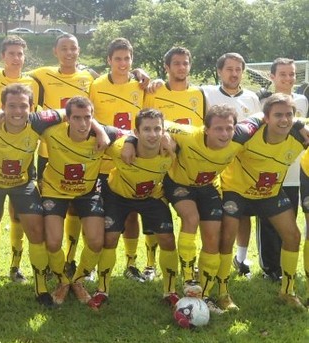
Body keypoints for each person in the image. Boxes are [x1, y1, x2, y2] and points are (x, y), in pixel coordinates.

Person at [123, 105, 263, 313]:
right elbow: (153, 128)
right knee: (191, 218)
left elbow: (261, 115)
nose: (224, 134)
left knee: (213, 237)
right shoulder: (188, 134)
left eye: (228, 128)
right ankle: (189, 278)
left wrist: (297, 124)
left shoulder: (240, 136)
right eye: (218, 129)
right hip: (179, 184)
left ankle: (207, 293)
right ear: (206, 129)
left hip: (208, 187)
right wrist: (130, 142)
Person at [0, 84, 60, 307]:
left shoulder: (37, 122)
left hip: (22, 185)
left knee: (36, 230)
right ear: (2, 107)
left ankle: (41, 288)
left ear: (31, 107)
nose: (18, 111)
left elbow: (67, 111)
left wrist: (100, 130)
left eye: (23, 106)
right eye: (11, 106)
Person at [220, 93, 307, 310]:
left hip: (269, 193)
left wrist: (299, 122)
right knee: (227, 237)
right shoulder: (248, 132)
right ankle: (222, 293)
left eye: (289, 115)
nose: (284, 120)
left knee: (293, 236)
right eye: (278, 115)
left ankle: (287, 291)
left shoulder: (300, 134)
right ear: (266, 118)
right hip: (236, 192)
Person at [40, 96, 121, 305]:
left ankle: (78, 280)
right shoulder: (50, 132)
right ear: (67, 118)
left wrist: (125, 142)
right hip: (54, 190)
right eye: (77, 118)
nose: (83, 124)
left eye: (88, 118)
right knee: (53, 241)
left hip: (87, 191)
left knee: (96, 241)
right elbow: (25, 119)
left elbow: (133, 137)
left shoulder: (105, 135)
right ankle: (62, 280)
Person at [93, 109, 177, 309]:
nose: (153, 134)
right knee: (110, 238)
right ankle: (102, 290)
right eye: (146, 129)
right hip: (118, 196)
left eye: (157, 129)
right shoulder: (121, 147)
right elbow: (100, 128)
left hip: (151, 196)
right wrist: (129, 140)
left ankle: (171, 291)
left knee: (167, 238)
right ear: (136, 132)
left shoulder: (171, 148)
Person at [29, 34, 97, 279]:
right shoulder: (42, 74)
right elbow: (11, 71)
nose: (69, 53)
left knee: (76, 208)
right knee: (53, 210)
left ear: (79, 51)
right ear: (55, 51)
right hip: (50, 151)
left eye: (73, 48)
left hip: (80, 150)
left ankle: (70, 259)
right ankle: (52, 263)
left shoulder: (90, 77)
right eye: (64, 49)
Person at [0, 35, 41, 283]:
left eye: (20, 54)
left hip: (23, 152)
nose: (16, 58)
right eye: (11, 53)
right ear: (2, 56)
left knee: (18, 216)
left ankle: (15, 267)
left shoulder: (33, 81)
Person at [143, 46, 206, 283]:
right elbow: (144, 124)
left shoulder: (199, 94)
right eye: (176, 63)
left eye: (185, 63)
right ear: (166, 67)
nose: (181, 67)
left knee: (191, 218)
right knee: (152, 214)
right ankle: (150, 264)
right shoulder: (155, 92)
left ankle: (189, 266)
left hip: (189, 167)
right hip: (159, 164)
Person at [89, 37, 148, 283]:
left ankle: (131, 263)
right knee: (98, 214)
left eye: (127, 58)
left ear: (132, 60)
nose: (122, 63)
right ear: (108, 61)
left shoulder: (141, 86)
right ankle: (93, 264)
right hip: (103, 160)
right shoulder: (97, 85)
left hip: (131, 161)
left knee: (132, 214)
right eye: (118, 59)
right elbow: (89, 117)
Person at [202, 53, 261, 278]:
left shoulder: (252, 98)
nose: (234, 73)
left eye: (238, 69)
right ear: (219, 71)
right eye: (229, 69)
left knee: (242, 214)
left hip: (242, 167)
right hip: (213, 166)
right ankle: (209, 256)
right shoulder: (207, 93)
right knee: (212, 217)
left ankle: (241, 257)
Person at [256, 58, 309, 282]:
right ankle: (270, 268)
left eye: (292, 74)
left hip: (296, 171)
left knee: (289, 220)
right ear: (272, 77)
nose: (288, 78)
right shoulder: (262, 101)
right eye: (283, 74)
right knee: (267, 222)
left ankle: (286, 267)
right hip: (268, 170)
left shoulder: (302, 100)